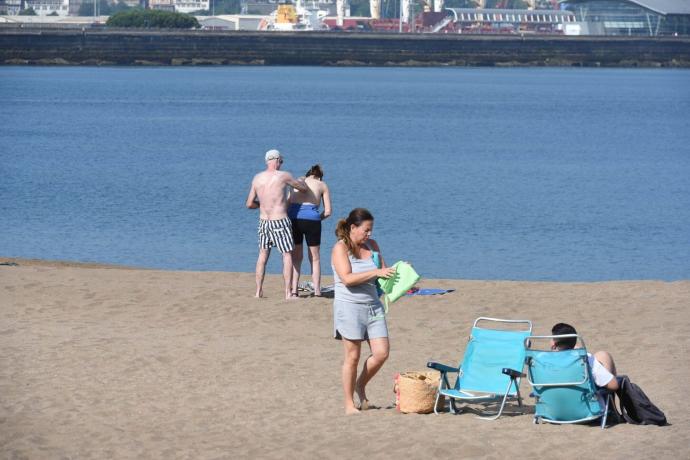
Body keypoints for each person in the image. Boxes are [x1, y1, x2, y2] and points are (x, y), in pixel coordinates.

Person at [331, 208, 396, 415]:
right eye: (366, 230)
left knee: (382, 353)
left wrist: (402, 273)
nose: (369, 234)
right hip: (349, 307)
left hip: (374, 306)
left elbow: (385, 274)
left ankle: (360, 385)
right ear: (353, 227)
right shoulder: (340, 249)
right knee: (353, 356)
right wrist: (376, 272)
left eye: (371, 230)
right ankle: (349, 404)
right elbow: (347, 279)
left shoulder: (373, 246)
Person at [246, 149, 308, 300]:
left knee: (262, 255)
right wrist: (301, 181)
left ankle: (258, 291)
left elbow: (249, 204)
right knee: (287, 255)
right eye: (281, 161)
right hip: (280, 221)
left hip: (263, 221)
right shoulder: (284, 176)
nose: (281, 164)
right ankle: (288, 293)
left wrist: (262, 205)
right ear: (277, 159)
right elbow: (303, 188)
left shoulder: (257, 178)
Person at [288, 164, 332, 297]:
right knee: (315, 258)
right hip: (312, 221)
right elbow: (328, 211)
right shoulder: (322, 185)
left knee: (296, 257)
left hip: (294, 219)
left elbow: (287, 203)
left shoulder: (296, 183)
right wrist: (317, 218)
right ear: (319, 177)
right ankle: (317, 292)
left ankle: (294, 290)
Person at [551, 323, 619, 391]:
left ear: (554, 344)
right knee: (603, 355)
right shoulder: (585, 358)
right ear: (574, 342)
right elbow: (614, 385)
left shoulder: (542, 361)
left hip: (549, 401)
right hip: (582, 400)